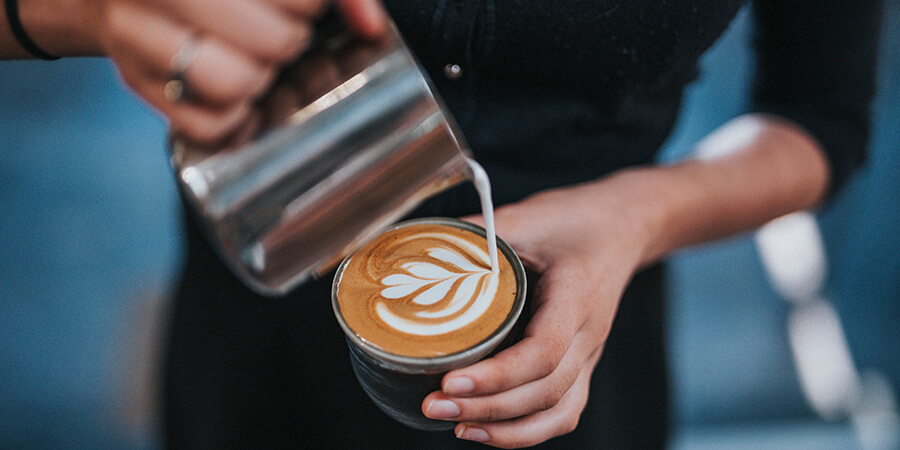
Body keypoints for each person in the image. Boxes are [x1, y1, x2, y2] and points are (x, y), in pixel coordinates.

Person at [2, 0, 883, 447]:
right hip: (265, 300)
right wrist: (87, 11)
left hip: (586, 334)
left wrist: (638, 216)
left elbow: (820, 121)